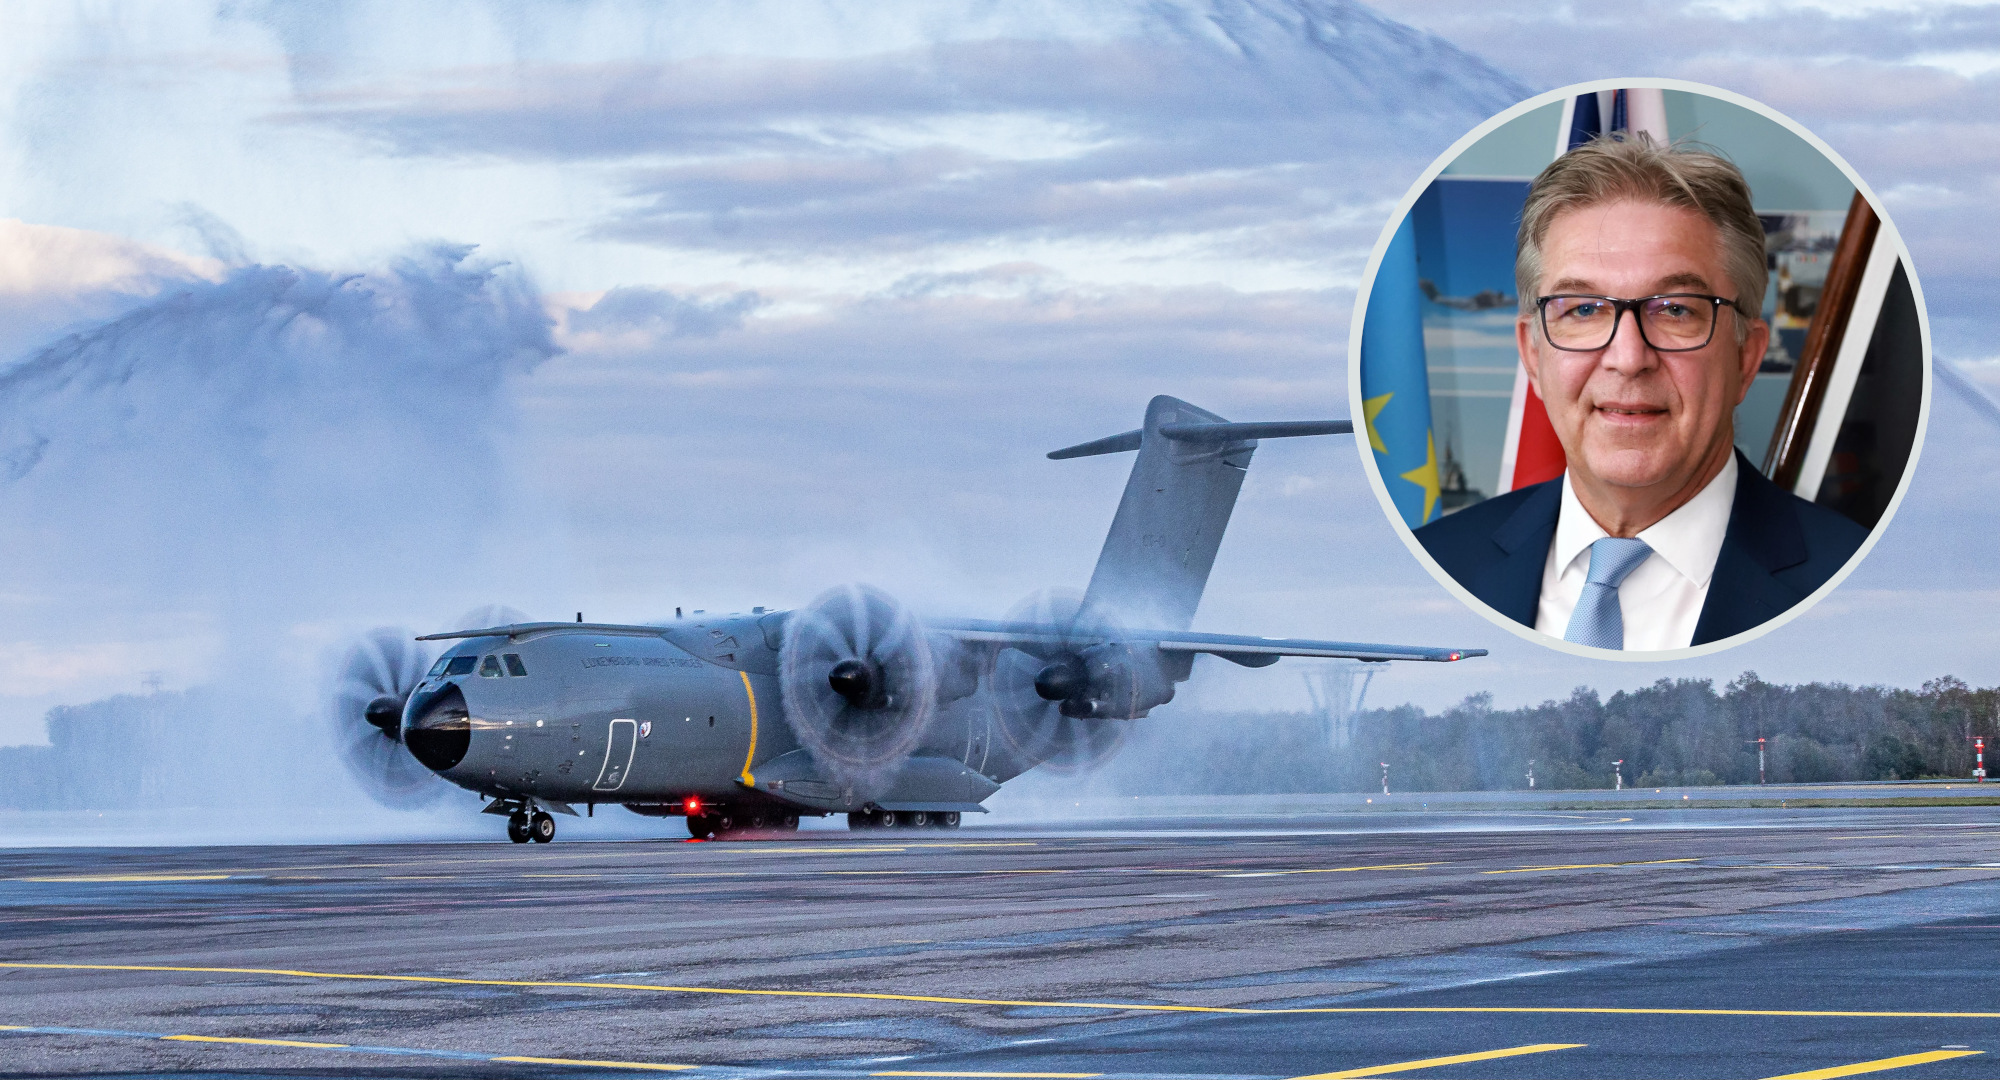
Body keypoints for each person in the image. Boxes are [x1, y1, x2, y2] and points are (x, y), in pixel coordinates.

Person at [1414, 135, 1866, 651]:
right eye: (1582, 310)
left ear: (1746, 356)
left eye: (1675, 309)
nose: (1628, 358)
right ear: (1533, 355)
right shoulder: (1432, 564)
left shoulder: (1858, 582)